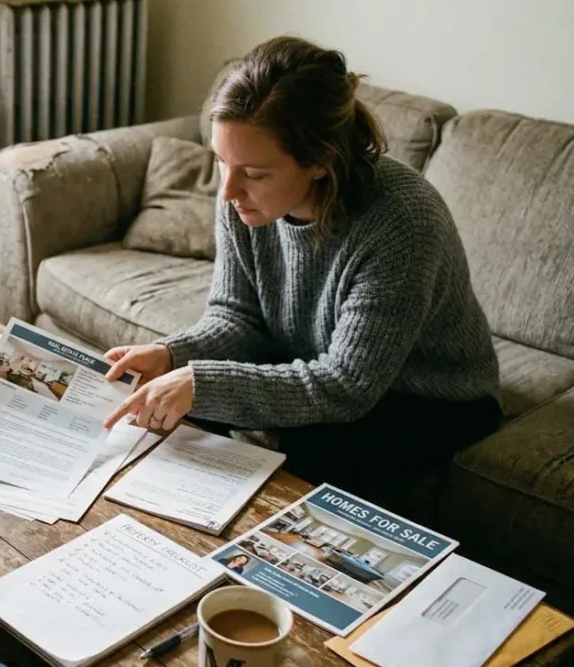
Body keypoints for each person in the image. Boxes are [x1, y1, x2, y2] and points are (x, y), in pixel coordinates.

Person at [102, 36, 500, 495]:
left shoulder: (403, 222)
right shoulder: (241, 196)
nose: (228, 190)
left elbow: (346, 385)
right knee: (163, 406)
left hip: (429, 396)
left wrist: (202, 381)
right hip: (315, 361)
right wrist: (174, 354)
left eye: (254, 173)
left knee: (290, 448)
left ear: (320, 161)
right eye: (221, 161)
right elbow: (237, 316)